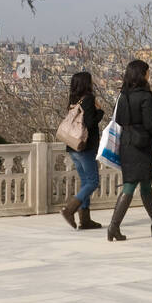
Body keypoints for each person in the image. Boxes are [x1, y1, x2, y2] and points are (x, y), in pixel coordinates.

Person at [107, 59, 152, 241]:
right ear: (142, 75)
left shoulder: (123, 96)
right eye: (147, 72)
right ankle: (113, 227)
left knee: (145, 184)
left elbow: (119, 120)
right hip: (141, 144)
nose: (149, 75)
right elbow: (149, 123)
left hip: (126, 143)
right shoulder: (146, 97)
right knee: (130, 185)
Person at [61, 71, 104, 230]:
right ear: (87, 83)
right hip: (85, 147)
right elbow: (90, 123)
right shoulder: (88, 99)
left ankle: (85, 220)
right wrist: (99, 111)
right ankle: (69, 209)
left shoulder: (74, 99)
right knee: (93, 182)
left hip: (73, 146)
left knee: (85, 181)